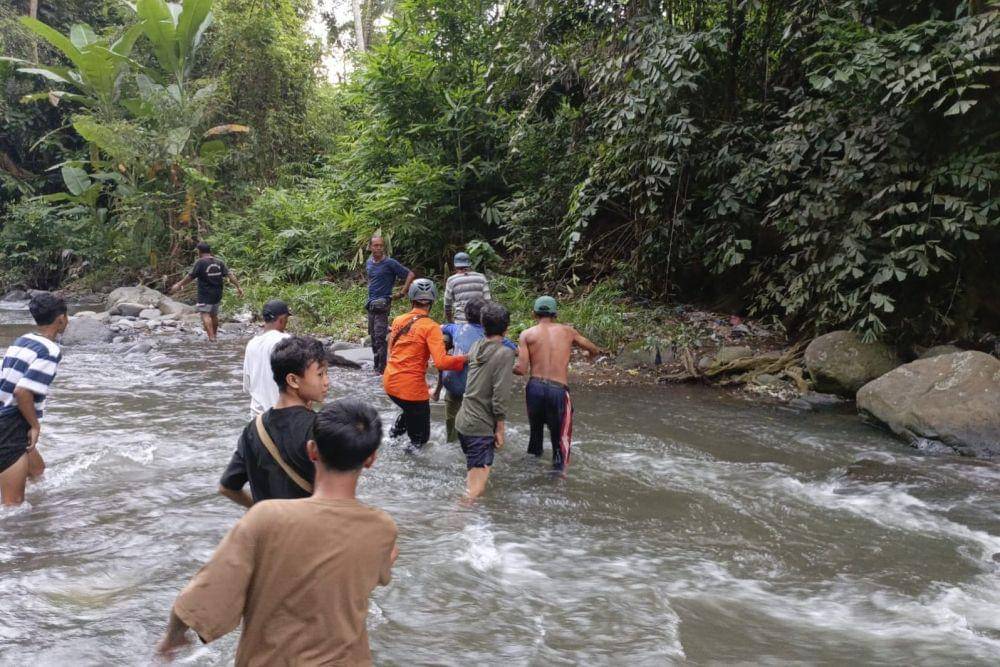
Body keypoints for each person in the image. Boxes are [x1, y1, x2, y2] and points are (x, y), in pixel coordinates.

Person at [156, 400, 398, 665]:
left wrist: (173, 637)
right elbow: (377, 572)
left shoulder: (267, 518)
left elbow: (202, 596)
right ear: (371, 459)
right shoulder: (382, 528)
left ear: (312, 451)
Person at [219, 336, 329, 508]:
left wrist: (259, 511)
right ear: (293, 380)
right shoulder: (320, 428)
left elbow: (227, 487)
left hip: (267, 532)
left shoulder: (253, 429)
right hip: (309, 531)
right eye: (320, 374)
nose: (326, 382)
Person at [513, 296, 599, 473]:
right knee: (560, 442)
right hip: (558, 390)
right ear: (556, 314)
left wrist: (508, 360)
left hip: (535, 388)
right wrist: (590, 356)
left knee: (535, 437)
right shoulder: (568, 332)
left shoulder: (527, 334)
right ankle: (558, 482)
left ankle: (530, 475)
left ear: (533, 314)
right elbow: (593, 348)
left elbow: (521, 369)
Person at [0, 292, 68, 505]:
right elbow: (22, 392)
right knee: (14, 506)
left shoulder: (22, 340)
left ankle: (42, 513)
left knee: (38, 472)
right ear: (61, 319)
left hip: (5, 416)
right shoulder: (50, 351)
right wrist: (34, 426)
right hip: (10, 424)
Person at [383, 278, 465, 452]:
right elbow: (441, 362)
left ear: (411, 298)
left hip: (390, 382)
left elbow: (391, 350)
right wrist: (465, 358)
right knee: (420, 440)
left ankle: (393, 437)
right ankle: (407, 465)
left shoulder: (398, 320)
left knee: (409, 410)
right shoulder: (431, 327)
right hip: (411, 389)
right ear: (433, 300)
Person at [433, 297, 516, 442]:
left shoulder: (457, 328)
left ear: (466, 315)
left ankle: (451, 437)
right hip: (477, 394)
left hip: (453, 386)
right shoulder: (495, 339)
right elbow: (516, 351)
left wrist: (448, 340)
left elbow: (439, 327)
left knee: (452, 433)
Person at [455, 303, 516, 500]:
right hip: (479, 428)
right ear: (506, 327)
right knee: (475, 490)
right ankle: (452, 524)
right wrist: (500, 428)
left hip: (463, 421)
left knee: (472, 480)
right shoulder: (505, 353)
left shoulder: (476, 346)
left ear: (482, 326)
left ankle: (465, 523)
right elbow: (500, 394)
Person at [170, 242, 244, 342]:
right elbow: (230, 275)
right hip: (217, 293)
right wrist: (238, 287)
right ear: (210, 251)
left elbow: (190, 277)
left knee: (205, 314)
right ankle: (215, 335)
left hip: (205, 294)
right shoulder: (219, 262)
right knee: (214, 315)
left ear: (199, 251)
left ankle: (211, 338)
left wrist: (179, 284)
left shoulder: (200, 262)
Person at [365, 235, 415, 373]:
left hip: (383, 304)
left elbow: (410, 274)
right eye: (376, 245)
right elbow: (371, 279)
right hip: (371, 304)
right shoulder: (369, 262)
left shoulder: (390, 263)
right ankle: (376, 367)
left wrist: (402, 293)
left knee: (380, 337)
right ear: (370, 247)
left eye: (381, 245)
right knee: (373, 336)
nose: (379, 248)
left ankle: (382, 370)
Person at [242, 299, 292, 419]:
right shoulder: (288, 341)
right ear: (282, 319)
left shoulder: (251, 344)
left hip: (257, 419)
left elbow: (247, 386)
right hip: (282, 413)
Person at [443, 251, 491, 324]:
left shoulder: (451, 280)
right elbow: (488, 301)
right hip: (480, 321)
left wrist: (450, 322)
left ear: (455, 265)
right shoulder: (481, 277)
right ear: (469, 264)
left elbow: (447, 306)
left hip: (460, 322)